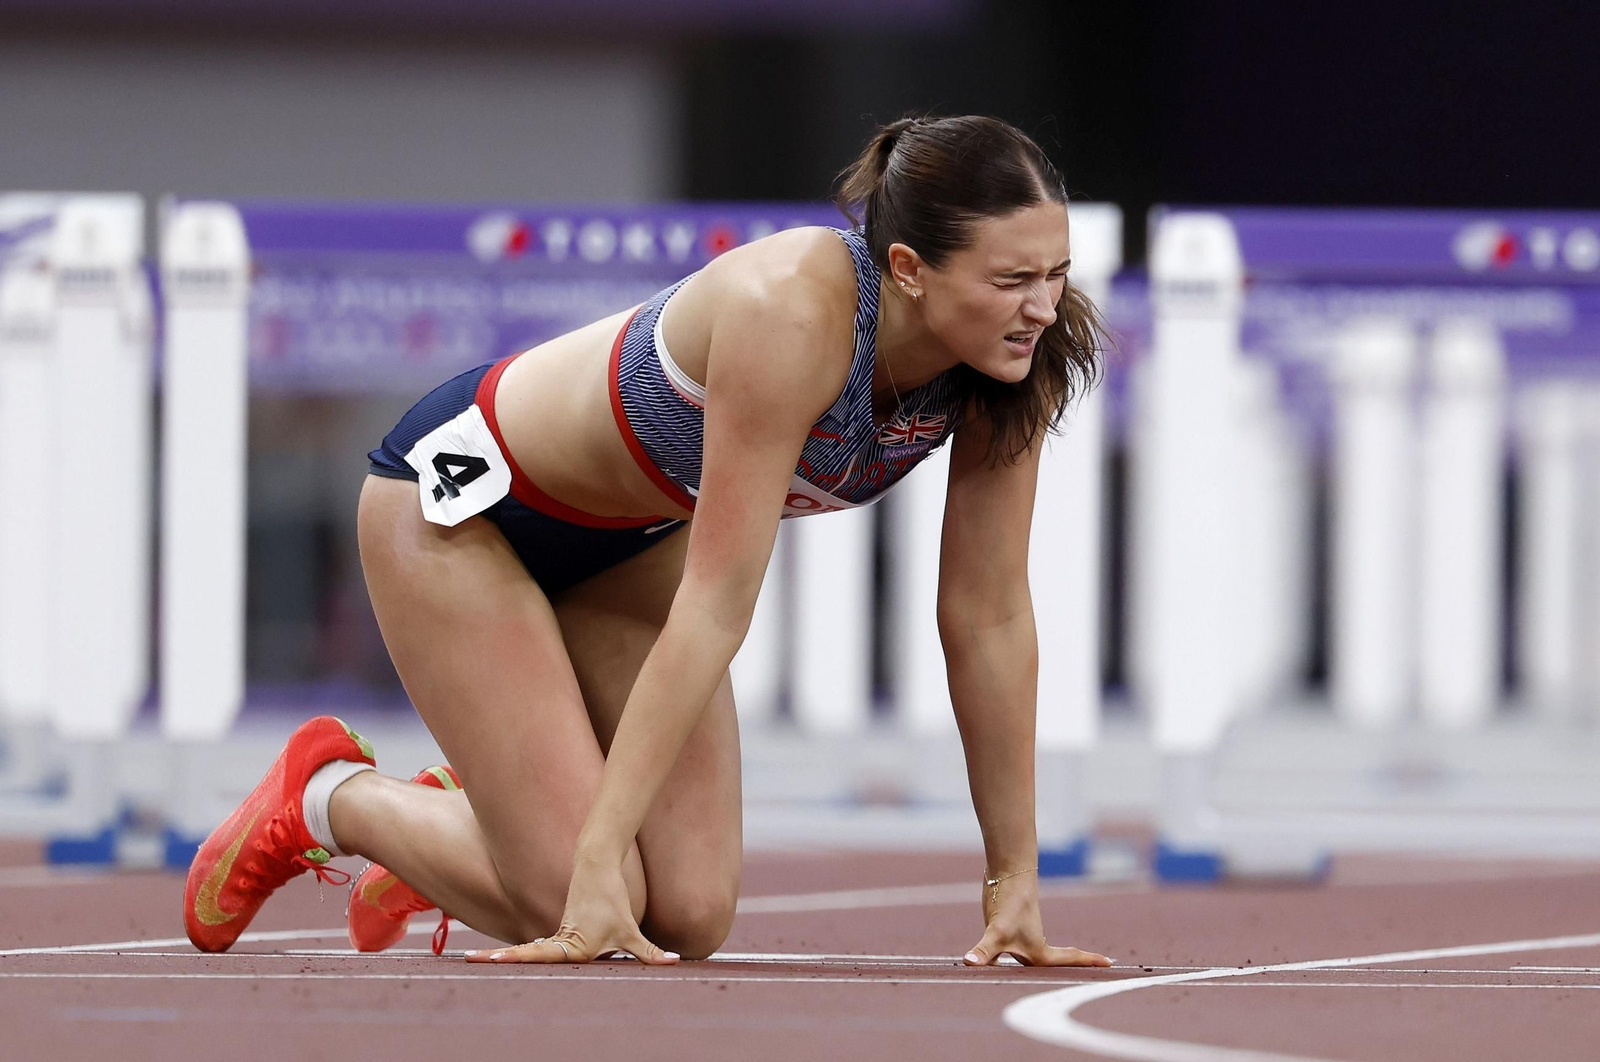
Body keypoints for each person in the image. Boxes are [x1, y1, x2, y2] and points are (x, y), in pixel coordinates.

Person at [183, 114, 1113, 970]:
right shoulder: (792, 308)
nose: (1042, 306)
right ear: (909, 268)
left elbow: (986, 617)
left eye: (1055, 273)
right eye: (1011, 281)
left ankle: (488, 821)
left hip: (630, 546)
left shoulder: (1009, 364)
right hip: (464, 513)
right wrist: (588, 861)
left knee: (693, 915)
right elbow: (718, 605)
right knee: (586, 896)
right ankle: (330, 795)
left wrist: (1013, 878)